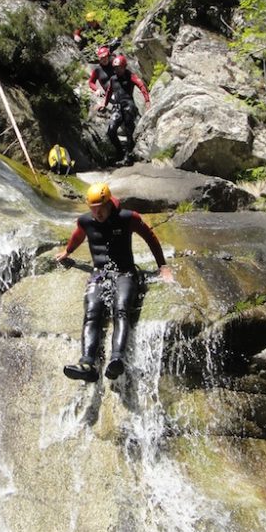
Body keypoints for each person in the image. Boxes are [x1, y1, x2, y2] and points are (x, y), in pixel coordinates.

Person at [56, 181, 173, 382]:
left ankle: (116, 359)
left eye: (101, 208)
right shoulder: (85, 221)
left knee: (121, 309)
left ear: (109, 203)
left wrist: (163, 266)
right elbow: (78, 236)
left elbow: (150, 238)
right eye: (93, 209)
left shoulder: (128, 218)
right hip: (99, 273)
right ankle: (87, 364)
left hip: (125, 272)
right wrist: (68, 251)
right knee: (92, 312)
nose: (98, 213)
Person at [100, 53, 151, 164]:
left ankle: (129, 156)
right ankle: (120, 152)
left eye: (118, 68)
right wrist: (104, 104)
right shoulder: (113, 79)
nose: (116, 70)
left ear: (123, 67)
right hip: (117, 108)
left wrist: (147, 101)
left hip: (128, 106)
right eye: (115, 68)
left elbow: (141, 85)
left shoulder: (130, 76)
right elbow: (109, 92)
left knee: (129, 131)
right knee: (111, 131)